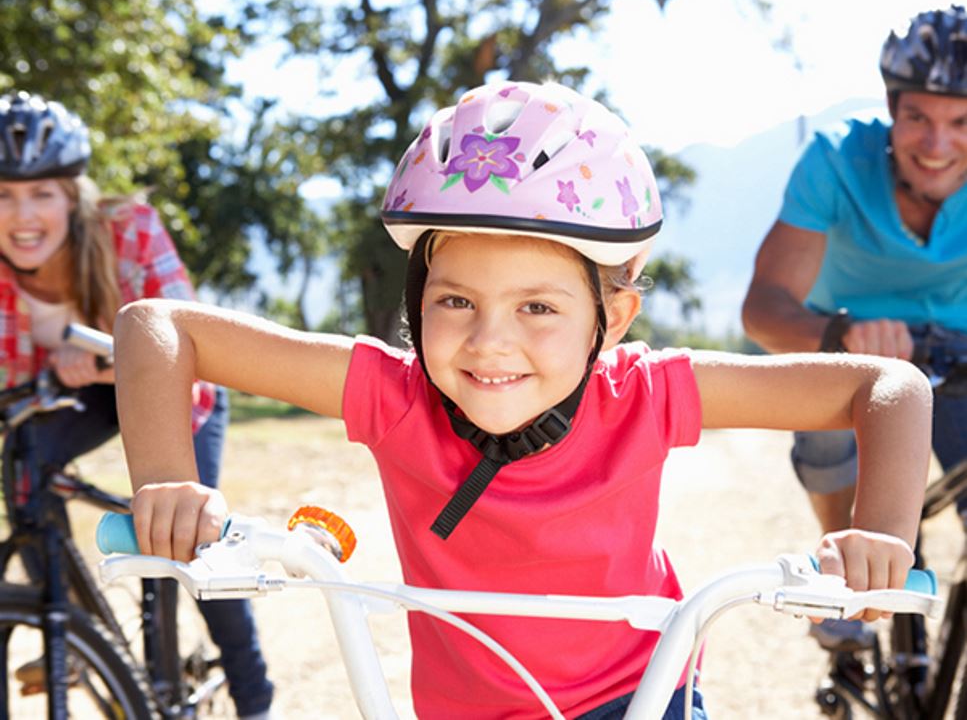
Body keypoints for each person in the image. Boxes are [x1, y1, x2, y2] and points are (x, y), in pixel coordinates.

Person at [115, 81, 931, 719]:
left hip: (638, 698)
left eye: (537, 307)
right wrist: (166, 481)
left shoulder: (643, 393)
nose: (489, 342)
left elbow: (885, 386)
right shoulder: (395, 395)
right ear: (416, 299)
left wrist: (881, 534)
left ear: (612, 318)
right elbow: (156, 326)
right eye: (454, 300)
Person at [0, 91, 274, 718]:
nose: (23, 216)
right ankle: (71, 628)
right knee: (26, 460)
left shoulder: (131, 231)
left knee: (189, 531)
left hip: (180, 383)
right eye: (4, 195)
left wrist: (102, 365)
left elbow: (193, 345)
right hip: (78, 396)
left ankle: (254, 695)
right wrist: (70, 373)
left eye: (42, 194)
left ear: (73, 196)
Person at [741, 5, 967, 652]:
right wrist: (840, 335)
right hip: (851, 343)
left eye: (960, 122)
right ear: (891, 109)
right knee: (826, 429)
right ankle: (841, 574)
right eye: (917, 118)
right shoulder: (836, 160)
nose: (937, 144)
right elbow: (763, 308)